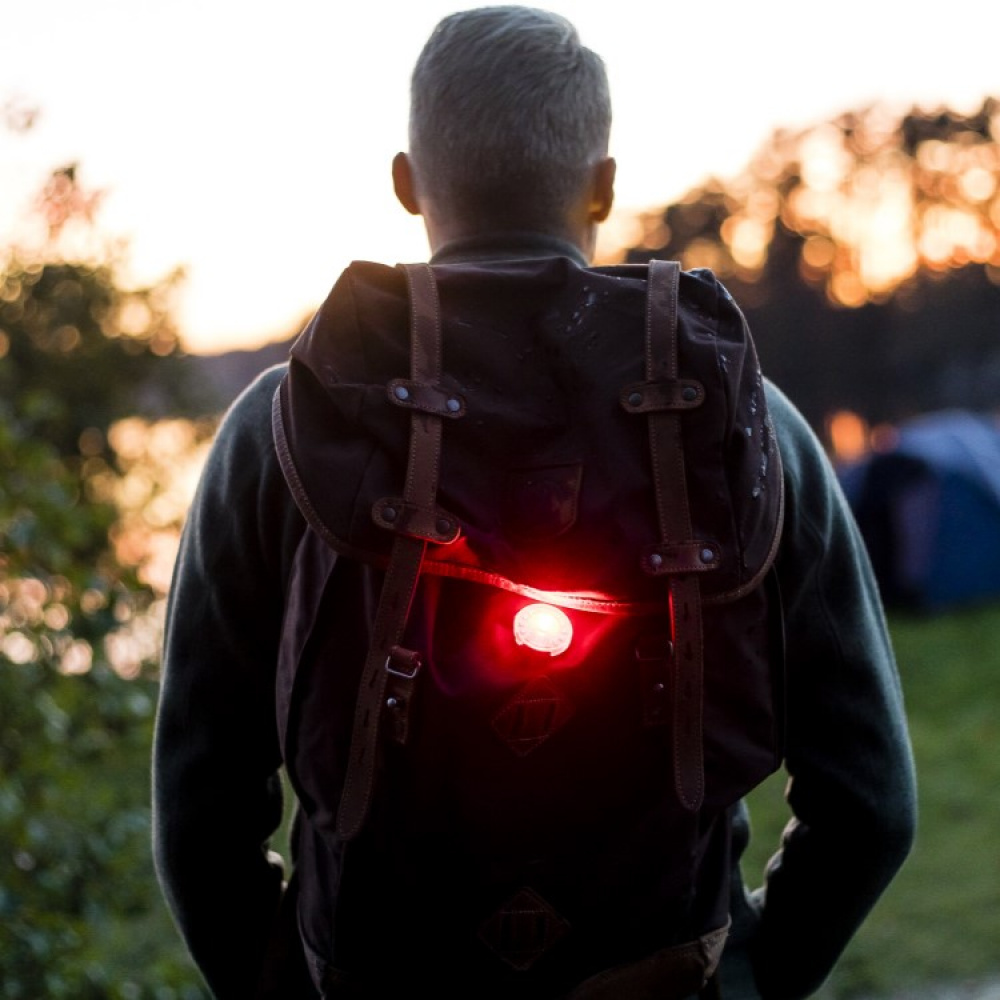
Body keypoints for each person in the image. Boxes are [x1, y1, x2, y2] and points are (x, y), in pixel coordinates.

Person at [152, 6, 917, 999]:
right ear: (603, 183)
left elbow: (199, 810)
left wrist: (282, 985)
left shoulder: (284, 426)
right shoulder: (751, 421)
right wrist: (751, 978)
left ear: (406, 182)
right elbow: (870, 804)